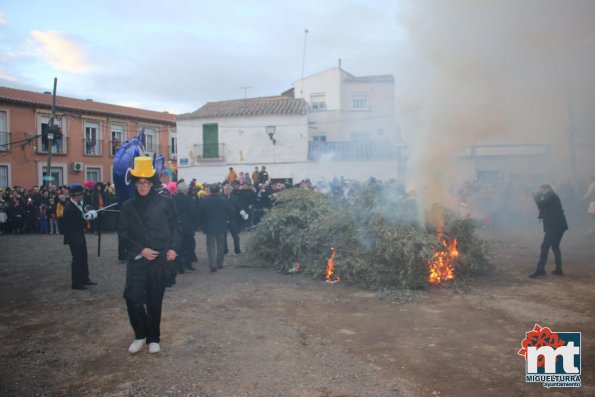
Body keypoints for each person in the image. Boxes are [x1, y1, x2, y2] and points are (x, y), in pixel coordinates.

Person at [118, 156, 182, 354]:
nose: (142, 186)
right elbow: (123, 234)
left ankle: (154, 337)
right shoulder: (128, 206)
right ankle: (140, 334)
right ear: (135, 183)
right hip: (138, 260)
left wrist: (173, 248)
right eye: (139, 182)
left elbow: (177, 227)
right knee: (132, 297)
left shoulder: (166, 203)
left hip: (159, 260)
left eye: (146, 182)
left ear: (152, 183)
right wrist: (140, 250)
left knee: (154, 300)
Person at [529, 184, 568, 278]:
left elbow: (541, 204)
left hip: (554, 225)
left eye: (541, 190)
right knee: (555, 246)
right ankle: (559, 270)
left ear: (545, 188)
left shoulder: (550, 195)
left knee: (545, 246)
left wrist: (536, 197)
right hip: (559, 225)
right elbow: (543, 208)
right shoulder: (552, 195)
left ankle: (540, 269)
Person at [62, 183, 97, 290]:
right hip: (73, 236)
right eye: (80, 195)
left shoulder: (79, 204)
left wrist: (88, 213)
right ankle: (76, 283)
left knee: (84, 256)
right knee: (77, 258)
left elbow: (84, 211)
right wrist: (84, 218)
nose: (82, 196)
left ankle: (85, 278)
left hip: (79, 234)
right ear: (75, 196)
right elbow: (70, 224)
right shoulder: (69, 207)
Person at [197, 184, 233, 272]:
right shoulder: (224, 201)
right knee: (220, 245)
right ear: (218, 191)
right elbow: (231, 211)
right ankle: (219, 263)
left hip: (209, 226)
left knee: (210, 246)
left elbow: (199, 214)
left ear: (210, 191)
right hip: (221, 225)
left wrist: (201, 225)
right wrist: (227, 220)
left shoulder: (204, 201)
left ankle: (212, 264)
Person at [222, 184, 242, 255]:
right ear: (223, 190)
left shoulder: (235, 197)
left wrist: (243, 213)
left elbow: (239, 207)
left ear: (231, 190)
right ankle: (225, 251)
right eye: (226, 189)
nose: (227, 190)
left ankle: (237, 250)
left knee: (236, 236)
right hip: (223, 220)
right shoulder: (220, 198)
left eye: (229, 189)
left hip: (233, 220)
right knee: (223, 237)